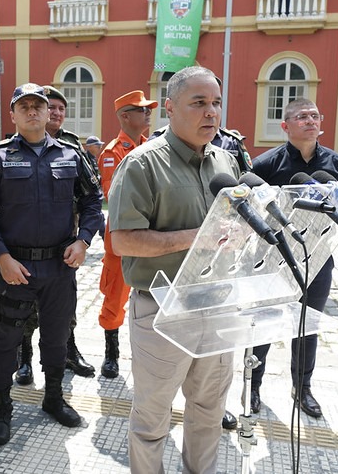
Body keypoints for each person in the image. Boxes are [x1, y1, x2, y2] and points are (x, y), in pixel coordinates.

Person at [108, 66, 239, 473]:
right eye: (198, 103)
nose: (211, 113)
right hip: (161, 307)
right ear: (170, 108)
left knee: (209, 410)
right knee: (152, 416)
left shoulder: (226, 161)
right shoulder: (141, 164)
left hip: (217, 303)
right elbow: (123, 241)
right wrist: (197, 236)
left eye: (216, 103)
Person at [0, 83, 103, 446]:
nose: (32, 111)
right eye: (23, 106)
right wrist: (1, 256)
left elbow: (94, 202)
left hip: (60, 268)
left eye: (38, 106)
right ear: (12, 114)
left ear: (49, 113)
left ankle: (54, 397)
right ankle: (1, 406)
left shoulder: (71, 155)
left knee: (57, 337)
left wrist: (84, 240)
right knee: (7, 339)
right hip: (15, 268)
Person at [249, 98, 338, 419]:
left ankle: (302, 387)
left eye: (314, 116)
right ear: (285, 126)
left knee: (307, 326)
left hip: (317, 258)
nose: (310, 121)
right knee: (263, 326)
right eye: (301, 117)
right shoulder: (266, 165)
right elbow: (253, 210)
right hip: (273, 258)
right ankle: (252, 387)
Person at [10, 85, 100, 386]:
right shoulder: (9, 152)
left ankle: (67, 353)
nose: (57, 113)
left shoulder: (71, 148)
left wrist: (84, 239)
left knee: (62, 314)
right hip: (24, 247)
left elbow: (92, 196)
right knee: (24, 315)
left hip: (64, 243)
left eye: (61, 109)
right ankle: (24, 361)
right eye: (54, 108)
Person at [96, 90, 156, 381]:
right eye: (141, 110)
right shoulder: (112, 153)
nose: (148, 114)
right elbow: (113, 194)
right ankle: (111, 354)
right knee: (115, 297)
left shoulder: (153, 148)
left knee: (152, 298)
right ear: (124, 116)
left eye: (148, 109)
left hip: (150, 238)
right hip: (121, 240)